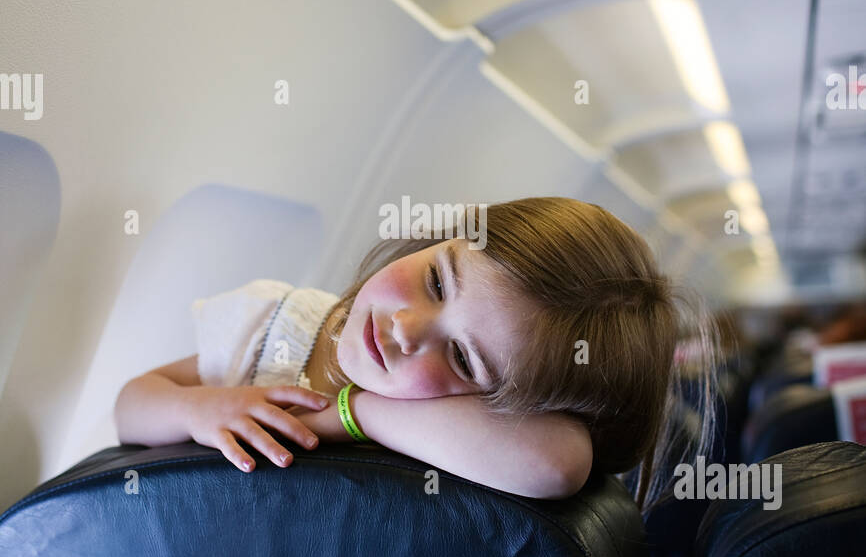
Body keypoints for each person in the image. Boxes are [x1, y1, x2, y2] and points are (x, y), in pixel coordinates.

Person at [114, 197, 718, 508]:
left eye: (461, 359)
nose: (406, 327)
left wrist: (352, 414)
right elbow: (132, 404)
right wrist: (202, 410)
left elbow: (555, 463)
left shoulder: (452, 430)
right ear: (441, 240)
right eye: (436, 281)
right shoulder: (275, 324)